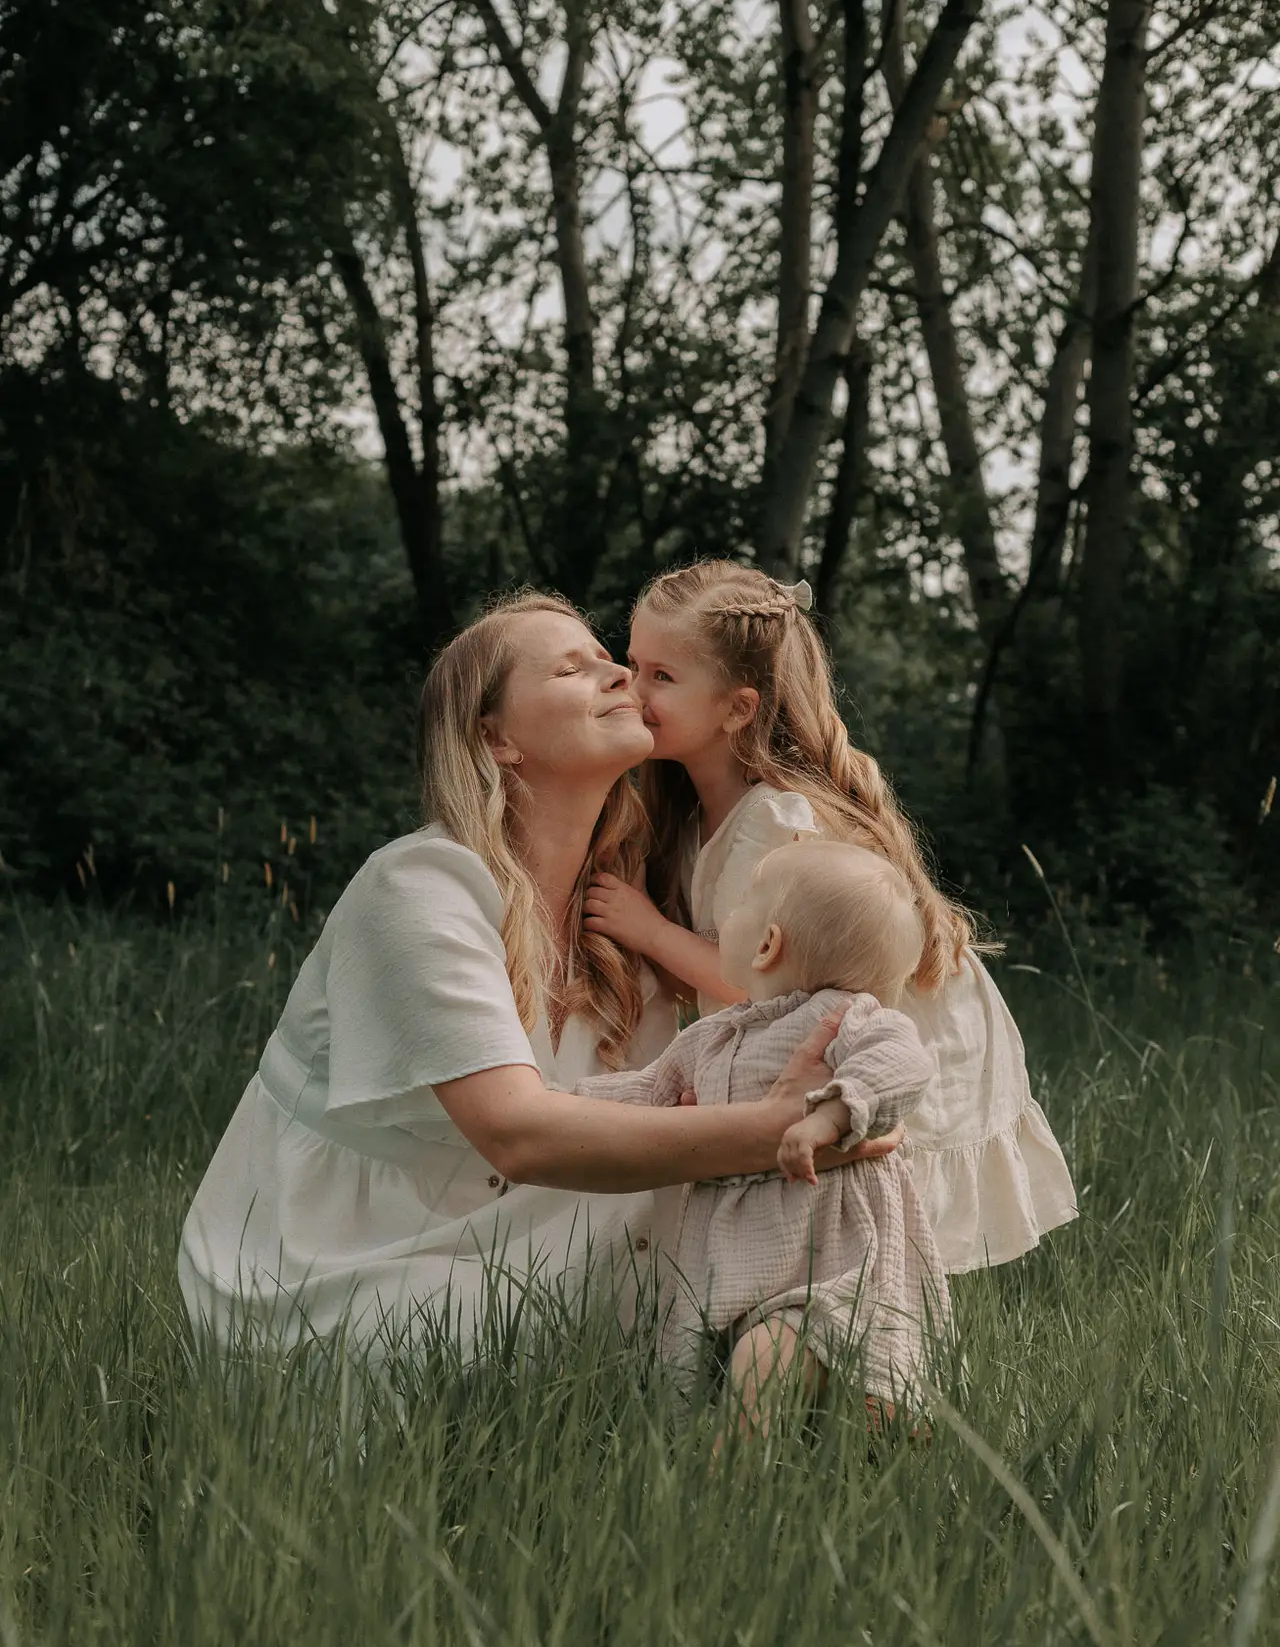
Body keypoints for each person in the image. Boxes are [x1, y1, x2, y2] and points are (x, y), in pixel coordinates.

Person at [178, 593, 892, 1355]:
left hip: (529, 1228)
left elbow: (671, 1115)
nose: (619, 672)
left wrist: (832, 1108)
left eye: (607, 657)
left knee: (781, 1267)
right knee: (470, 1355)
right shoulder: (419, 888)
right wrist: (772, 1131)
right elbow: (516, 1134)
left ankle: (826, 1385)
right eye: (571, 667)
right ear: (497, 739)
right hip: (340, 1256)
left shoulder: (625, 920)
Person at [582, 559, 1077, 1278]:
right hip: (823, 1014)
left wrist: (647, 930)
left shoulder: (776, 818)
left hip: (895, 1021)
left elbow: (755, 979)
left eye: (663, 675)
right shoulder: (688, 809)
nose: (635, 687)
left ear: (738, 708)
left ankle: (879, 1322)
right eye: (633, 664)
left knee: (883, 1190)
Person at [576, 841, 950, 1437]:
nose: (727, 914)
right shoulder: (714, 1035)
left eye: (744, 898)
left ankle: (729, 1494)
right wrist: (556, 1102)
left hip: (826, 1254)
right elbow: (647, 1094)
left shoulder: (843, 1016)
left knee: (764, 1363)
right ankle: (864, 1426)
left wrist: (827, 1116)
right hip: (729, 1253)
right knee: (693, 1376)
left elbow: (902, 1061)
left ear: (768, 943)